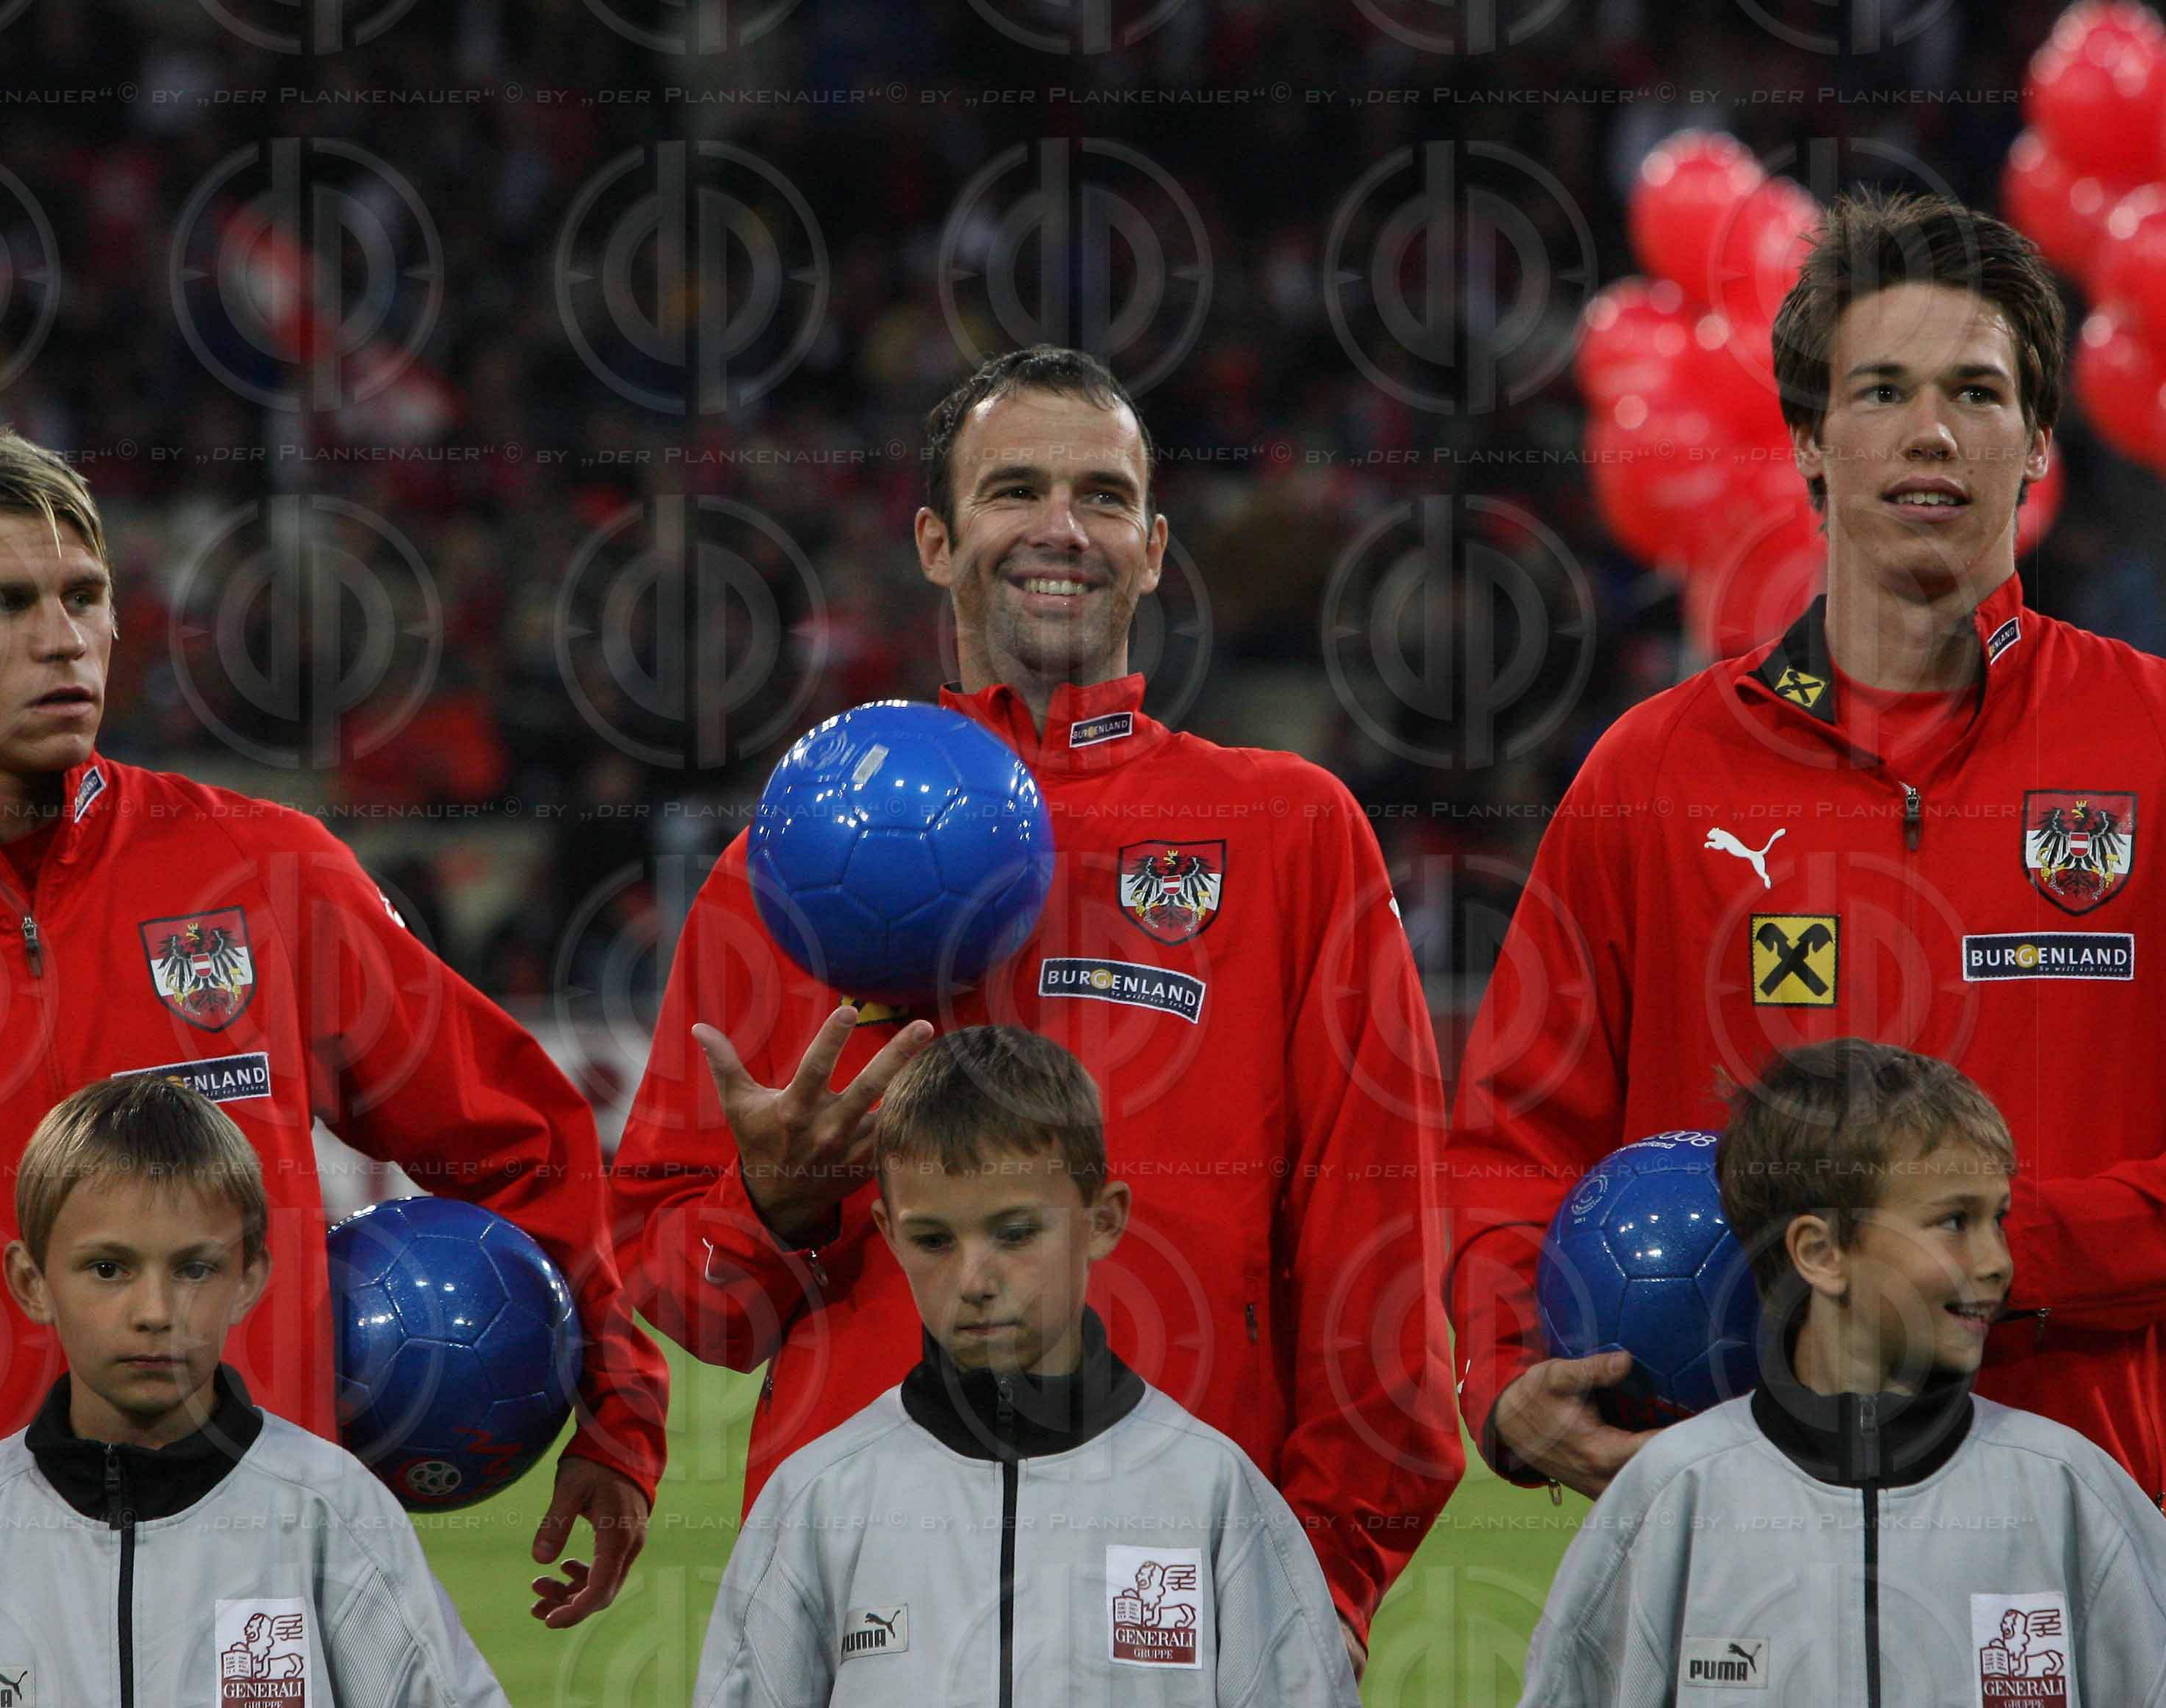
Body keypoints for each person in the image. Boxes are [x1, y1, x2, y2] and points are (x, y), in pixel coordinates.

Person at [0, 428, 666, 1708]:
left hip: (249, 1641)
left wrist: (616, 1399)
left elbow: (527, 1140)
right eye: (3, 603)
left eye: (84, 596)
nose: (62, 637)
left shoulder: (269, 879)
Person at [613, 345, 1460, 1668]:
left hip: (1185, 1572)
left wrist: (1313, 1593)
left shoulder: (1288, 834)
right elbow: (688, 1295)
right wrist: (763, 1211)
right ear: (936, 540)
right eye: (1014, 490)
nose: (1060, 529)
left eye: (1102, 496)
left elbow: (1378, 1272)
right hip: (871, 1587)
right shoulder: (788, 858)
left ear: (1154, 547)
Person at [1447, 189, 2166, 1508]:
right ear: (1807, 444)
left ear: (2037, 442)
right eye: (1879, 391)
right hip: (1727, 1520)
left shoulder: (2150, 743)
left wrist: (1985, 1253)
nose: (1929, 433)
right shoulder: (1649, 775)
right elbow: (1507, 1137)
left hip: (2090, 1515)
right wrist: (1503, 1365)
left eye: (1976, 392)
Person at [0, 1073, 512, 1707]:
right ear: (32, 1281)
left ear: (249, 1277)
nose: (155, 1311)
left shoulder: (332, 1516)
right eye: (109, 1268)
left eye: (194, 1268)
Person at [692, 1027, 1361, 1707]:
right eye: (933, 1240)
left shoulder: (1215, 1493)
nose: (974, 1278)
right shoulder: (818, 1498)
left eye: (1014, 1233)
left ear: (1102, 1220)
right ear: (890, 1236)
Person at [1519, 1040, 2166, 1704]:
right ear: (1820, 1253)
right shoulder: (1673, 1494)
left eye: (1996, 1218)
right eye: (1953, 1222)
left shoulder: (2071, 1490)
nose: (1998, 1260)